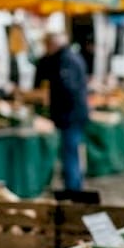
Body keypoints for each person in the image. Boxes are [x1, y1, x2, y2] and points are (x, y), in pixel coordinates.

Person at [35, 32, 89, 191]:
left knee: (70, 152)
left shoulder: (65, 61)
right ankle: (74, 185)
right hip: (75, 113)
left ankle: (73, 189)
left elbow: (68, 88)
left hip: (70, 115)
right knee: (72, 152)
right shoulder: (72, 57)